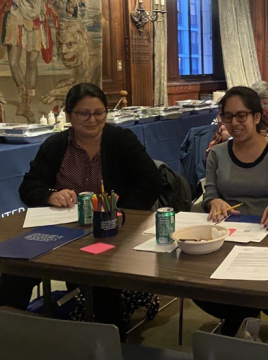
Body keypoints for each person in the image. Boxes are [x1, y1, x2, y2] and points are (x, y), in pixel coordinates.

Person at [2, 83, 162, 336]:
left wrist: (120, 212)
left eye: (99, 112)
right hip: (63, 230)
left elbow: (151, 182)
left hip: (112, 230)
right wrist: (51, 195)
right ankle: (13, 337)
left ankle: (113, 342)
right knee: (16, 270)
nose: (92, 120)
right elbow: (29, 186)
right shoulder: (56, 145)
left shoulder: (120, 140)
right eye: (83, 113)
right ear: (68, 115)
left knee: (99, 278)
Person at [198, 86, 268, 335]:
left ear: (256, 117)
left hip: (267, 235)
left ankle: (235, 333)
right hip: (227, 235)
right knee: (194, 280)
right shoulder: (218, 154)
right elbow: (209, 195)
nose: (234, 123)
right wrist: (215, 203)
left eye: (241, 116)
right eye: (227, 116)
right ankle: (241, 329)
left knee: (243, 289)